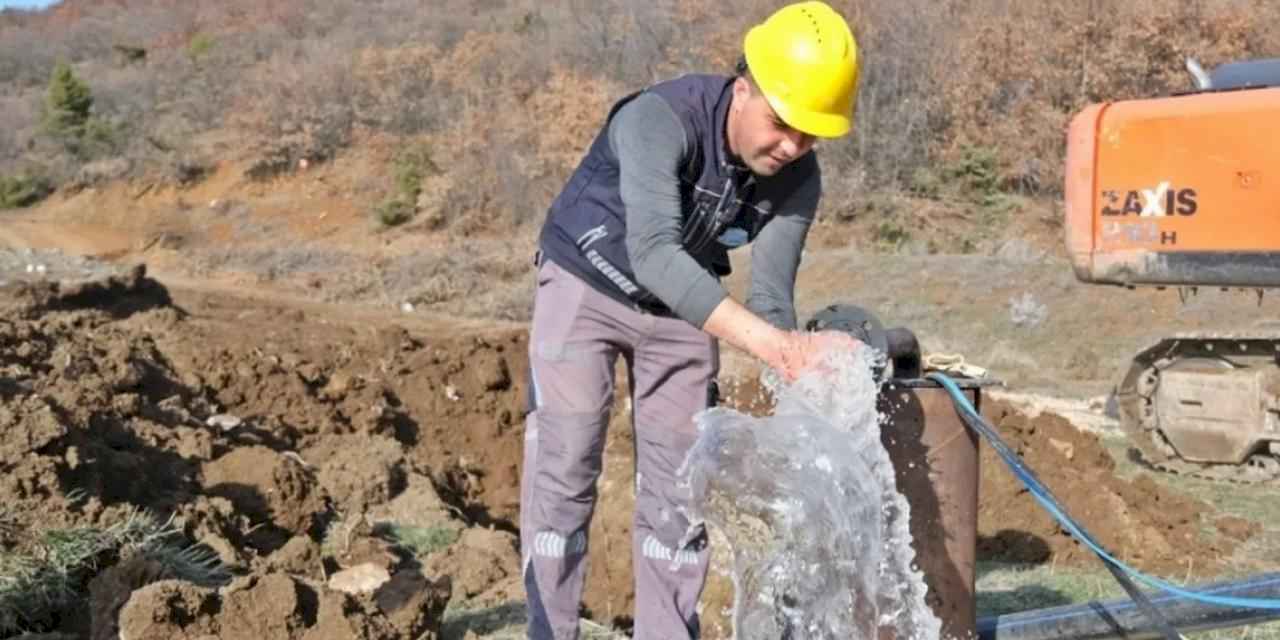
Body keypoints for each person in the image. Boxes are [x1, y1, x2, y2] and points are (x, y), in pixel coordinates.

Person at [520, 2, 862, 638]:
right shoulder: (661, 118)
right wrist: (774, 346)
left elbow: (769, 304)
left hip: (682, 304)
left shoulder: (798, 179)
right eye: (782, 123)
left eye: (811, 134)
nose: (792, 146)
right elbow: (653, 252)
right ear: (745, 87)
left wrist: (805, 376)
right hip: (584, 284)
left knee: (681, 490)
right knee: (565, 467)